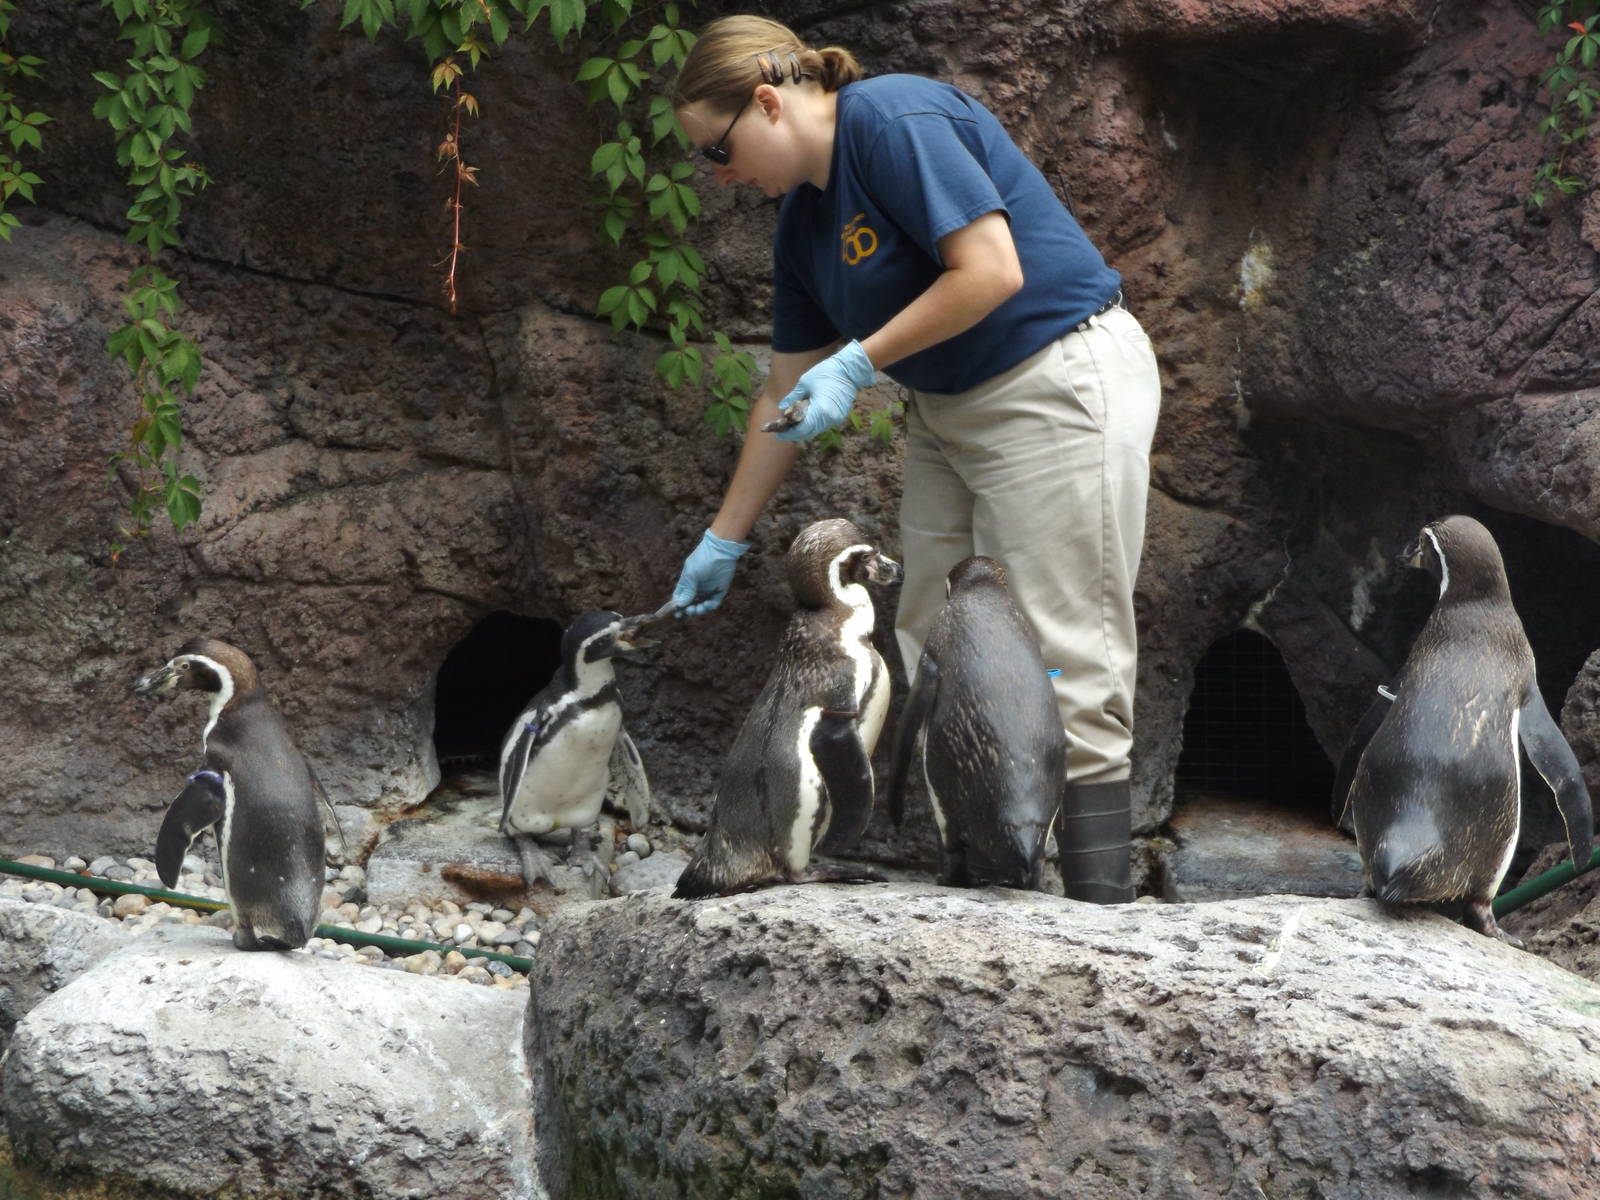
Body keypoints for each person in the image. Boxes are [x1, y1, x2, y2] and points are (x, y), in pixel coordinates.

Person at [667, 15, 1161, 903]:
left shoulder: (888, 121)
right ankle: (980, 892)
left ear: (769, 103)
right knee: (933, 644)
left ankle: (1099, 918)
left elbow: (991, 270)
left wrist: (858, 361)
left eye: (718, 149)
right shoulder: (803, 227)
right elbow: (779, 391)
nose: (722, 176)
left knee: (1058, 651)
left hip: (1054, 381)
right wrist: (724, 539)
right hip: (948, 411)